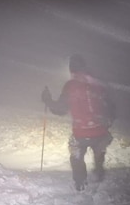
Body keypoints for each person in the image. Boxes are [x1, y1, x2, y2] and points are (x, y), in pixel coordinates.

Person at [42, 54, 115, 191]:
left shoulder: (71, 86)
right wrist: (107, 121)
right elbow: (110, 106)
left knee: (77, 157)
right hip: (100, 131)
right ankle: (99, 173)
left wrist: (47, 100)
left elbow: (60, 109)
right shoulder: (98, 85)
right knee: (99, 152)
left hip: (80, 132)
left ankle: (80, 183)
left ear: (71, 69)